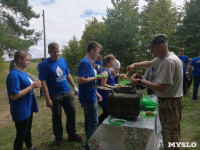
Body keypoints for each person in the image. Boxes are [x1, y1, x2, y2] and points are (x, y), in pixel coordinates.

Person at [127, 34, 183, 150]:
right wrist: (134, 65)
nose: (151, 51)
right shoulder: (163, 58)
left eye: (153, 48)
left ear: (161, 46)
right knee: (168, 132)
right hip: (168, 101)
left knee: (171, 135)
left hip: (170, 103)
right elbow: (148, 63)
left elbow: (161, 87)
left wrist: (141, 81)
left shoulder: (169, 61)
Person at [39, 42, 82, 147]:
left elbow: (67, 74)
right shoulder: (44, 65)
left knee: (72, 113)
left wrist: (74, 87)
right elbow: (43, 83)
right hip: (54, 95)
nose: (57, 54)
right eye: (54, 52)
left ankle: (72, 134)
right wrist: (47, 98)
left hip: (67, 92)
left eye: (58, 51)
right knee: (57, 117)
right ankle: (58, 137)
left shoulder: (62, 60)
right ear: (49, 52)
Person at [6, 50, 41, 150]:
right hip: (20, 109)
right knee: (20, 135)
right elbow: (14, 96)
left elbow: (28, 85)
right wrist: (31, 87)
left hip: (27, 107)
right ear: (20, 60)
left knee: (27, 130)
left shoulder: (23, 72)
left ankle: (29, 147)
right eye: (27, 60)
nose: (29, 62)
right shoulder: (13, 75)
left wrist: (35, 84)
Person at [77, 41, 103, 150]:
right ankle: (89, 147)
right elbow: (81, 80)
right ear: (92, 51)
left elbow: (89, 81)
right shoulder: (85, 62)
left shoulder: (88, 62)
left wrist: (96, 92)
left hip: (89, 94)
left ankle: (87, 145)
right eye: (97, 52)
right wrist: (97, 78)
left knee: (88, 122)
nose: (98, 55)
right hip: (88, 97)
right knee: (94, 124)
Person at [97, 54, 116, 125]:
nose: (115, 63)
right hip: (104, 95)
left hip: (106, 94)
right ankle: (96, 124)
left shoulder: (107, 70)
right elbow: (103, 84)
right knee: (107, 113)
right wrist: (113, 87)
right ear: (111, 61)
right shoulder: (105, 71)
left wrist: (113, 85)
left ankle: (98, 124)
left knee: (107, 112)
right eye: (114, 61)